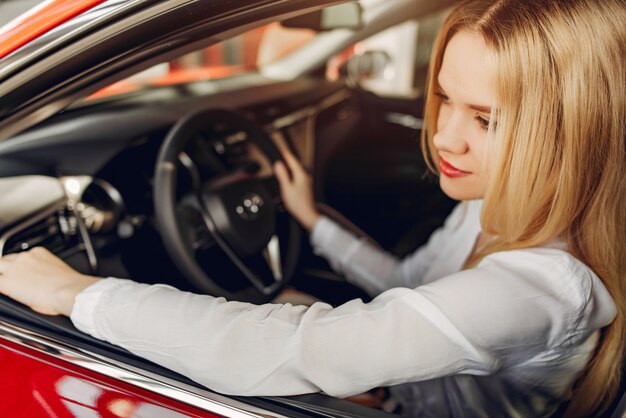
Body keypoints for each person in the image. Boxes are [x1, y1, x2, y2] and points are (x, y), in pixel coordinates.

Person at [0, 0, 624, 416]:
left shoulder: (544, 287)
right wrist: (310, 218)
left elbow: (311, 352)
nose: (445, 137)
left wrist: (77, 292)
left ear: (578, 131)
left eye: (486, 119)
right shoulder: (493, 205)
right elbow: (411, 285)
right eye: (444, 99)